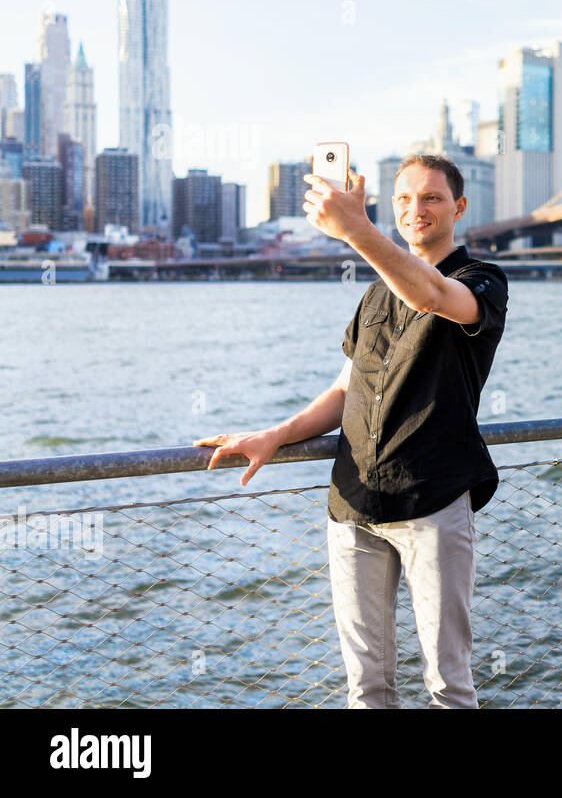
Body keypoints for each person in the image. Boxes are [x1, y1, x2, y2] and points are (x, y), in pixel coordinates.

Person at [193, 153, 508, 708]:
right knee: (366, 688)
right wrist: (276, 434)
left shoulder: (482, 280)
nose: (417, 208)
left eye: (432, 197)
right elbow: (345, 390)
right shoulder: (374, 295)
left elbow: (432, 297)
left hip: (432, 500)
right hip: (353, 501)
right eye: (405, 198)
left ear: (458, 207)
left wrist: (356, 231)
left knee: (449, 686)